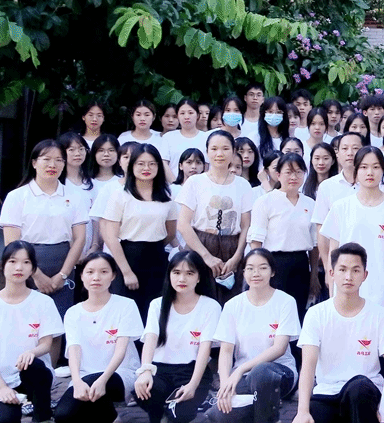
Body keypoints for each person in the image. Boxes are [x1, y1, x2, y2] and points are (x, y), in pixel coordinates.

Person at [291, 243, 384, 423]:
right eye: (343, 269)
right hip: (328, 391)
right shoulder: (316, 314)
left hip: (364, 391)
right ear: (331, 273)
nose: (349, 276)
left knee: (358, 388)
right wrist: (302, 411)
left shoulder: (378, 314)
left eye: (356, 270)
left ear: (365, 275)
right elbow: (308, 367)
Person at [0, 140, 88, 364]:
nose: (52, 165)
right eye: (46, 159)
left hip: (63, 262)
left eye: (58, 160)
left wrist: (63, 275)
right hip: (25, 263)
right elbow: (11, 241)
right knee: (26, 323)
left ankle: (50, 374)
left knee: (56, 324)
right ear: (34, 163)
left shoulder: (75, 195)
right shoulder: (17, 196)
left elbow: (79, 239)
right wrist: (35, 274)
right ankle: (19, 371)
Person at [0, 242, 64, 423]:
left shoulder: (43, 302)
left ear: (33, 268)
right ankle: (21, 408)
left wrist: (32, 352)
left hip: (34, 373)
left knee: (33, 365)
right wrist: (2, 387)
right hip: (2, 380)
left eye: (26, 262)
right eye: (13, 261)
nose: (19, 268)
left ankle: (43, 422)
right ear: (2, 265)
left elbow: (47, 343)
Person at [209, 249, 301, 423]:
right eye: (250, 268)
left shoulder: (285, 302)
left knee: (262, 372)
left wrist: (240, 369)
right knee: (217, 413)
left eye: (262, 268)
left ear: (272, 272)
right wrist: (225, 384)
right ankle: (257, 416)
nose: (256, 273)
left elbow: (279, 348)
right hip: (244, 377)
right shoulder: (233, 305)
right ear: (243, 272)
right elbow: (226, 351)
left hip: (280, 373)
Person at [54, 253, 142, 423]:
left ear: (113, 276)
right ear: (82, 276)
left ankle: (107, 419)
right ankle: (109, 418)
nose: (96, 277)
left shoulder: (125, 306)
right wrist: (76, 381)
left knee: (94, 385)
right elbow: (74, 350)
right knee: (62, 416)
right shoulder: (73, 313)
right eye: (90, 272)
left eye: (103, 272)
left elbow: (121, 350)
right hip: (85, 377)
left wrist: (103, 380)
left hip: (119, 374)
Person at [135, 252, 221, 423]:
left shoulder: (210, 306)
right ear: (169, 275)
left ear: (199, 277)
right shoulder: (157, 305)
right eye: (176, 272)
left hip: (191, 371)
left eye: (189, 273)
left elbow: (205, 349)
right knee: (145, 388)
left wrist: (193, 384)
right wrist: (145, 371)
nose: (182, 279)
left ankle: (170, 414)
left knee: (182, 419)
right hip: (160, 370)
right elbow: (150, 339)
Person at [321, 147, 384, 312]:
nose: (370, 172)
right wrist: (332, 293)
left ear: (383, 170)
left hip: (382, 291)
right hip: (346, 291)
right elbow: (333, 252)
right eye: (364, 167)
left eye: (375, 167)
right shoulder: (341, 207)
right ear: (356, 171)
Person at [176, 131, 254, 303]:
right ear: (207, 152)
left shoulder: (243, 185)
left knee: (230, 301)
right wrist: (206, 256)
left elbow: (246, 225)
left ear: (233, 152)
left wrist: (237, 257)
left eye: (225, 149)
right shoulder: (195, 182)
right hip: (200, 245)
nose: (220, 154)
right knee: (198, 299)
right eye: (214, 149)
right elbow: (183, 224)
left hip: (232, 247)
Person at [101, 143, 178, 318]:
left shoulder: (166, 196)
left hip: (157, 258)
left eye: (152, 164)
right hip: (128, 257)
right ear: (132, 165)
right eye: (141, 164)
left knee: (155, 312)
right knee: (127, 313)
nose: (146, 168)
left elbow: (171, 232)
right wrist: (126, 272)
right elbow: (111, 237)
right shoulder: (120, 195)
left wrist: (153, 245)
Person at [249, 153, 319, 322]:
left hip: (301, 264)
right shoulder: (265, 202)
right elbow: (256, 242)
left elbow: (315, 245)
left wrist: (314, 275)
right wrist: (258, 270)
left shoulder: (310, 203)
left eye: (298, 172)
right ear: (278, 175)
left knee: (298, 313)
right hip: (274, 263)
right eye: (288, 172)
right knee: (273, 315)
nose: (293, 177)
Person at [312, 133, 366, 249]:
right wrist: (326, 259)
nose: (350, 153)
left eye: (355, 148)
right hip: (338, 255)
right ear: (338, 153)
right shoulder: (326, 187)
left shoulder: (377, 185)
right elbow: (321, 228)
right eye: (345, 148)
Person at [161, 99, 210, 174]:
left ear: (197, 115)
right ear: (177, 116)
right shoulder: (168, 137)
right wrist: (174, 181)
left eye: (190, 113)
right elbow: (164, 164)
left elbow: (207, 165)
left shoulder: (206, 137)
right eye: (182, 113)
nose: (186, 117)